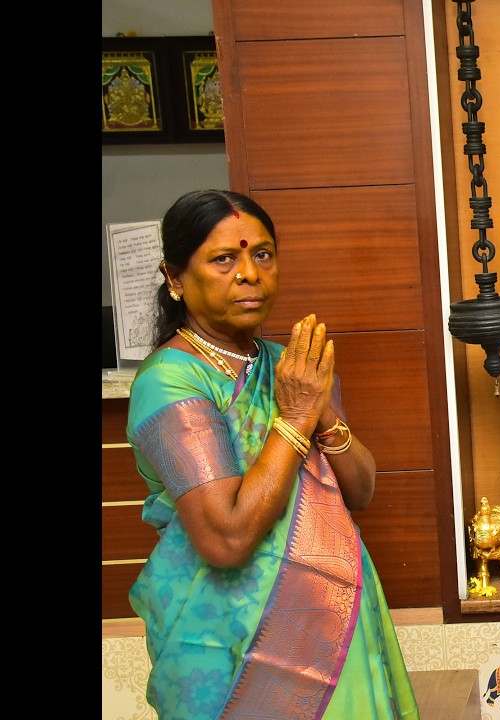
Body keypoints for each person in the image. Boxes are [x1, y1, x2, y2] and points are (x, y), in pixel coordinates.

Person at [127, 189, 418, 719]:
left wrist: (321, 413)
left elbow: (362, 489)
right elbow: (227, 537)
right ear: (174, 279)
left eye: (261, 254)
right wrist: (294, 418)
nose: (249, 273)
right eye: (223, 259)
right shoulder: (169, 382)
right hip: (227, 643)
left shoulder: (290, 366)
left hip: (329, 622)